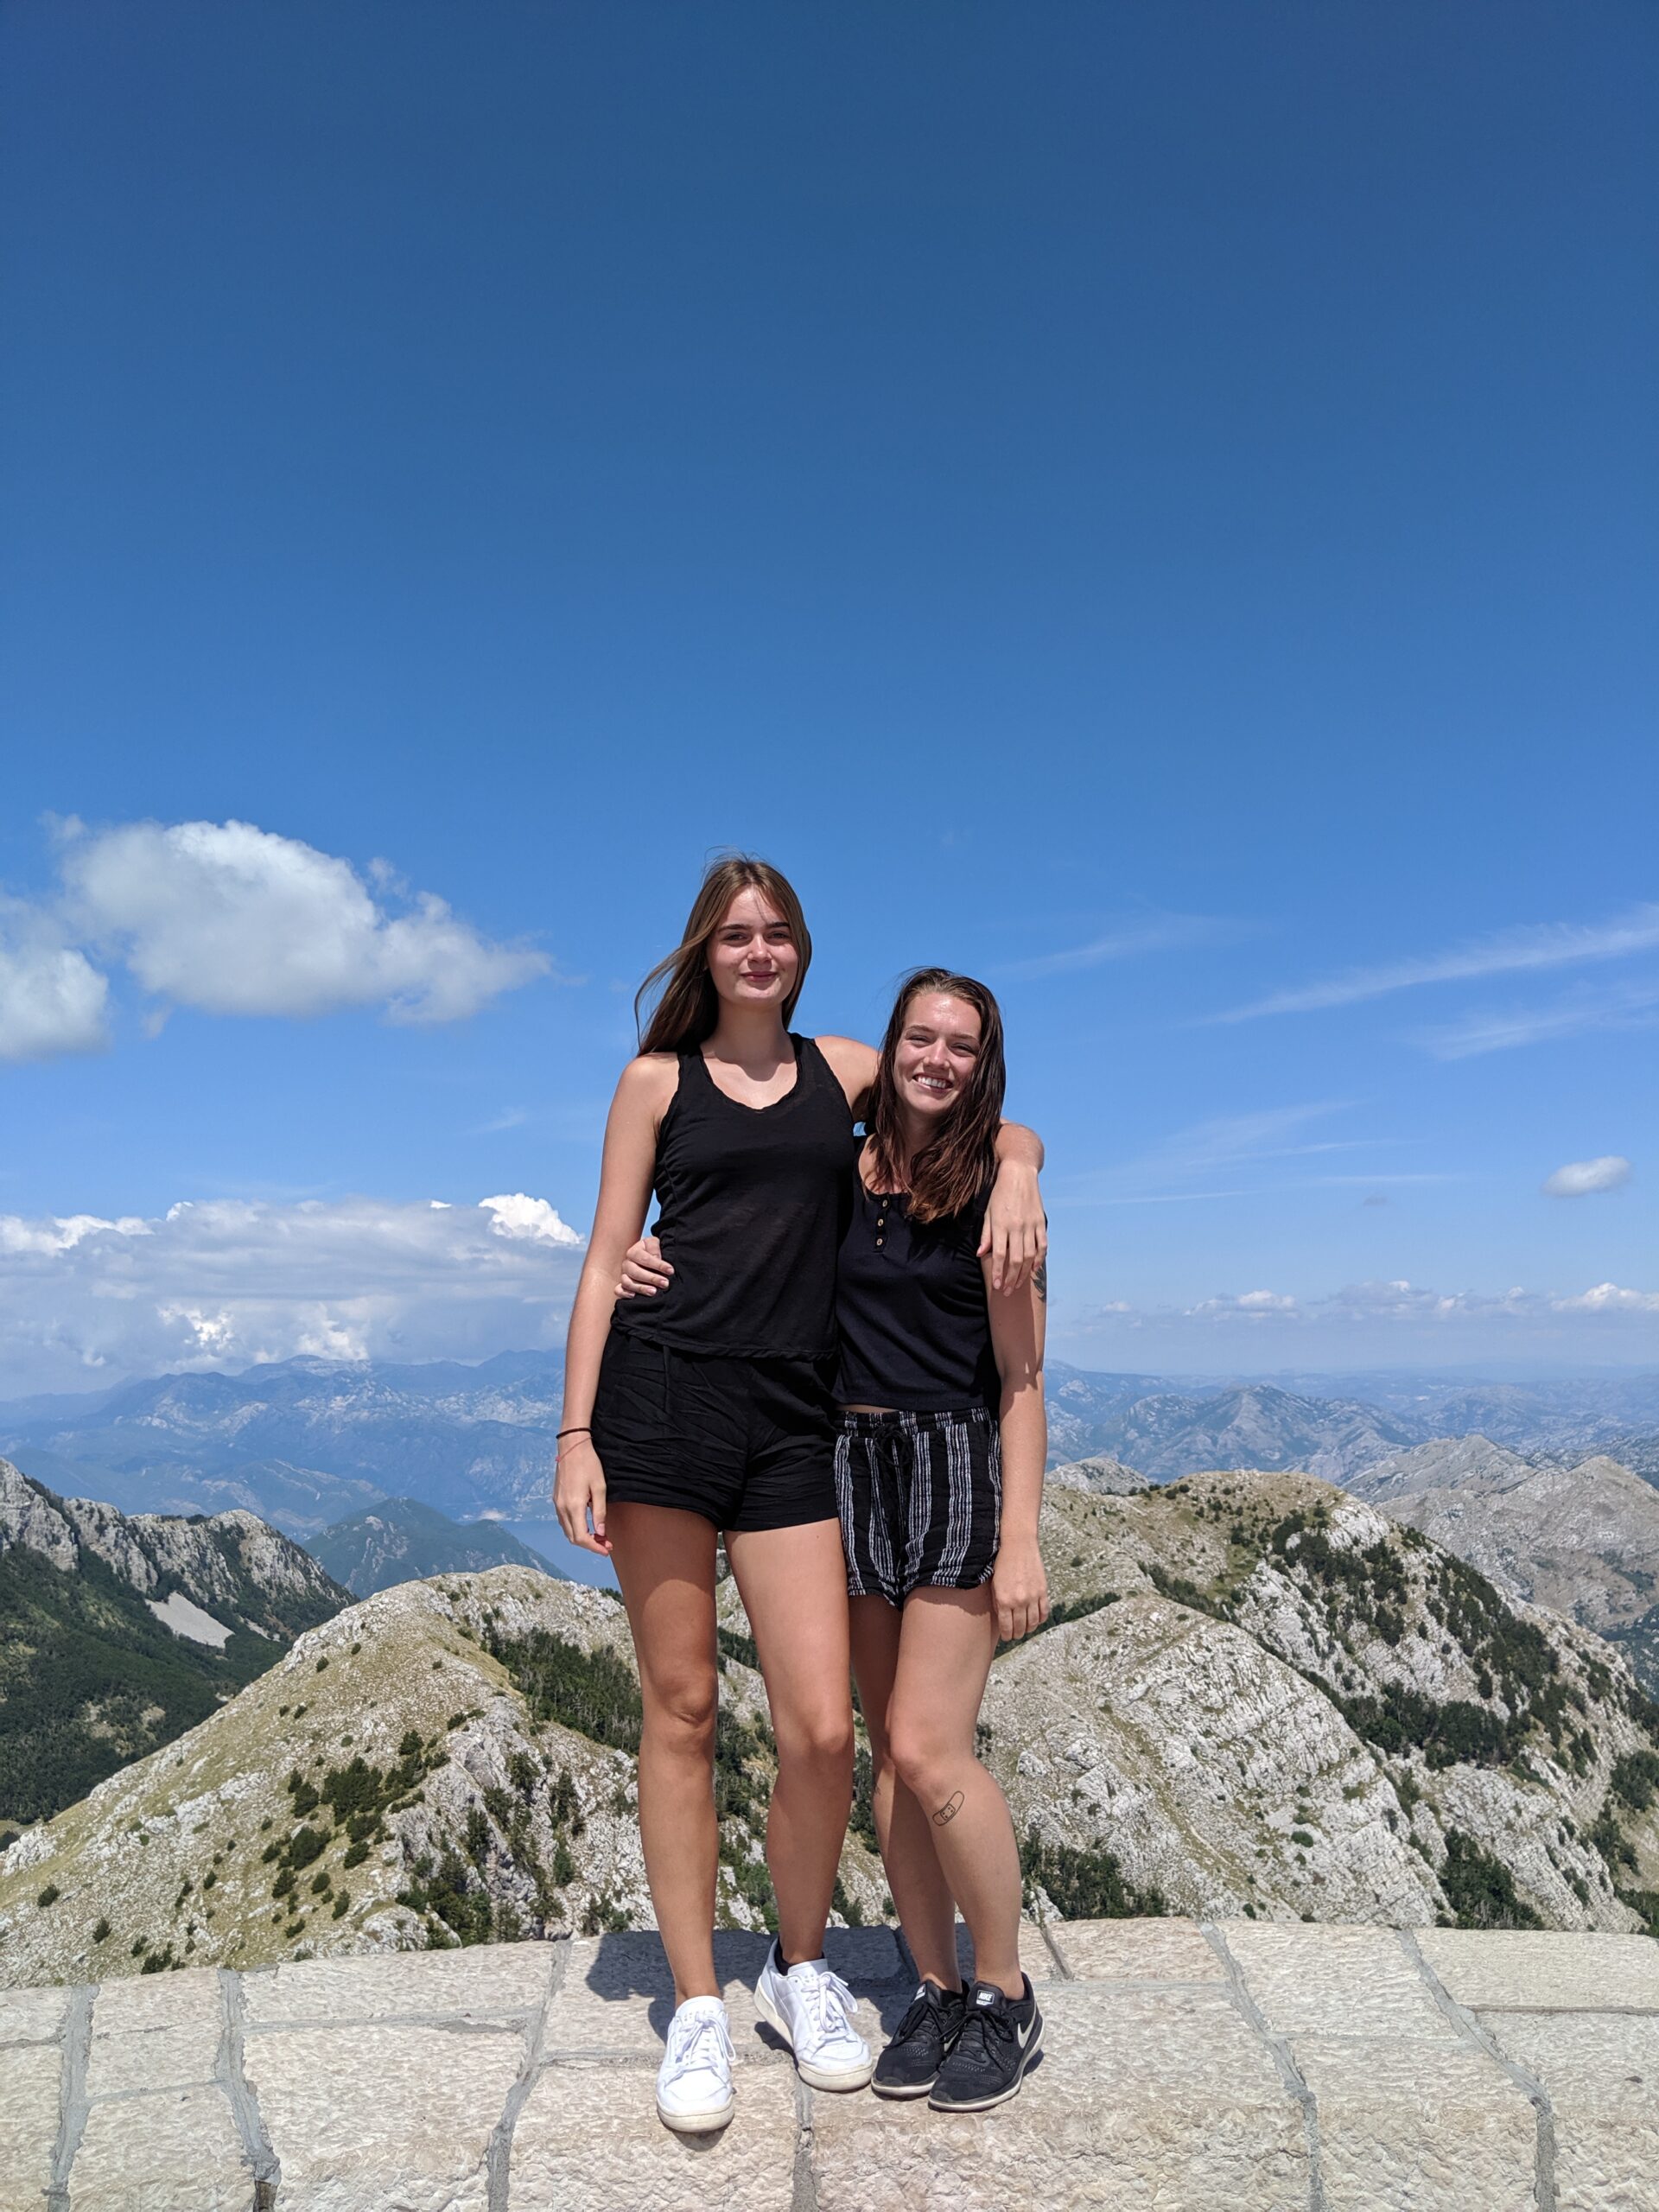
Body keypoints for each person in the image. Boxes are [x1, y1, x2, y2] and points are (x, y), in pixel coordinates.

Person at [555, 860, 1045, 2135]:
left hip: (795, 1428)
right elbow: (607, 1256)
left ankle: (803, 1961)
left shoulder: (847, 1066)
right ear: (703, 954)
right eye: (735, 935)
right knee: (684, 1707)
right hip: (660, 1410)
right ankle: (699, 2007)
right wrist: (573, 1433)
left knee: (825, 1730)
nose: (757, 951)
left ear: (802, 949)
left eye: (776, 933)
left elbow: (971, 1099)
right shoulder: (655, 1083)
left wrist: (1028, 1162)